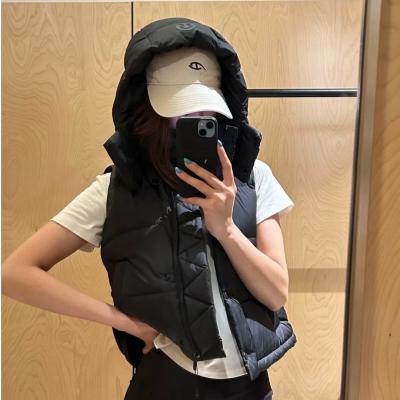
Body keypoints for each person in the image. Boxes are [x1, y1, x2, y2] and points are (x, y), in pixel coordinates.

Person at [2, 19, 295, 400]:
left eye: (205, 112)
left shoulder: (254, 177)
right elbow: (15, 274)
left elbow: (275, 295)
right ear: (150, 111)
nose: (196, 122)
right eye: (182, 111)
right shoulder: (118, 190)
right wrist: (123, 321)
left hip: (250, 388)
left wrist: (226, 229)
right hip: (165, 384)